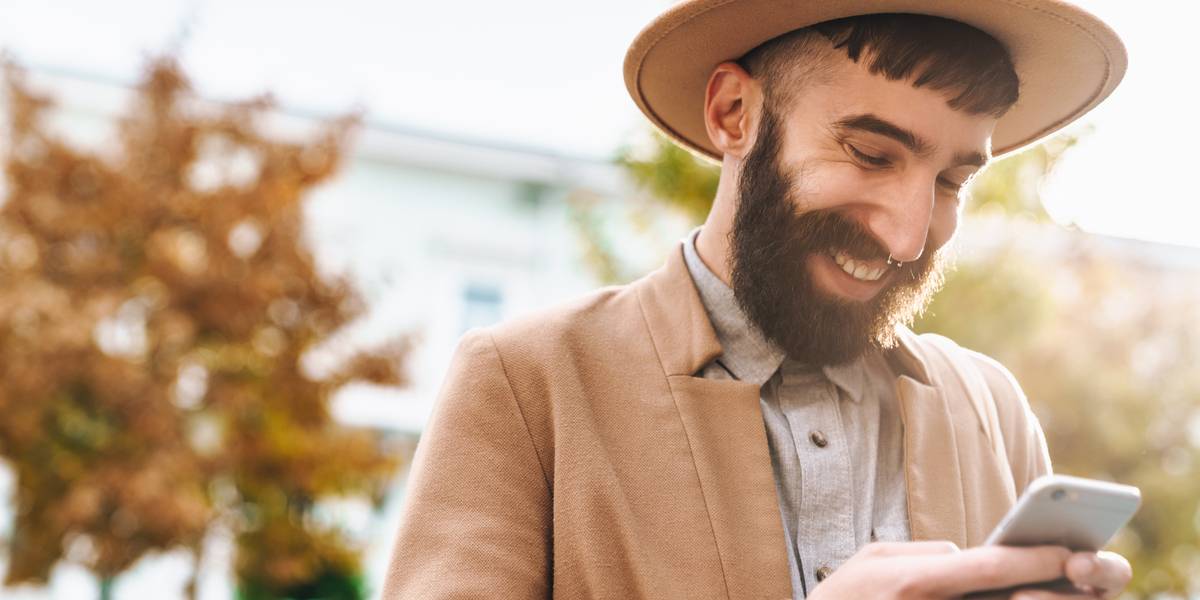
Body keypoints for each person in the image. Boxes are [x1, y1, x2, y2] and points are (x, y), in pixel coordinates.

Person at [382, 1, 1133, 598]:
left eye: (951, 182)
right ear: (733, 112)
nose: (908, 236)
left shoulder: (993, 411)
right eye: (871, 155)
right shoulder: (525, 385)